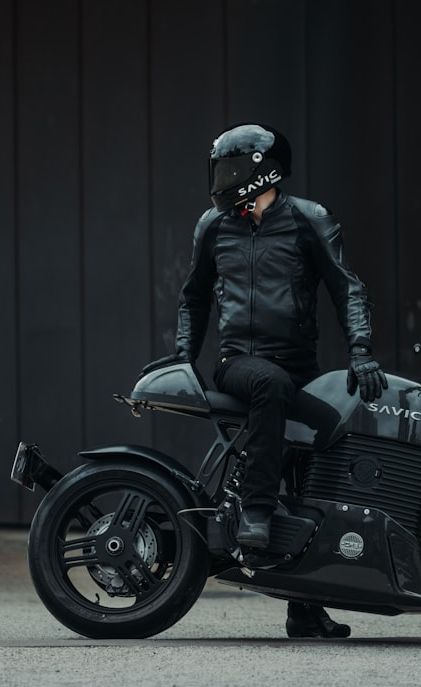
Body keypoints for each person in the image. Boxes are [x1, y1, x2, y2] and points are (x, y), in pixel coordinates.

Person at [142, 123, 387, 638]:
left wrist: (362, 351)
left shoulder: (308, 219)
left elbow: (349, 289)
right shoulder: (213, 225)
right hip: (240, 366)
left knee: (322, 463)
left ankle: (304, 607)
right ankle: (255, 512)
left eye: (230, 169)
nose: (222, 180)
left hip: (301, 370)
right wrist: (183, 359)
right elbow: (194, 297)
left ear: (262, 169)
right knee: (269, 383)